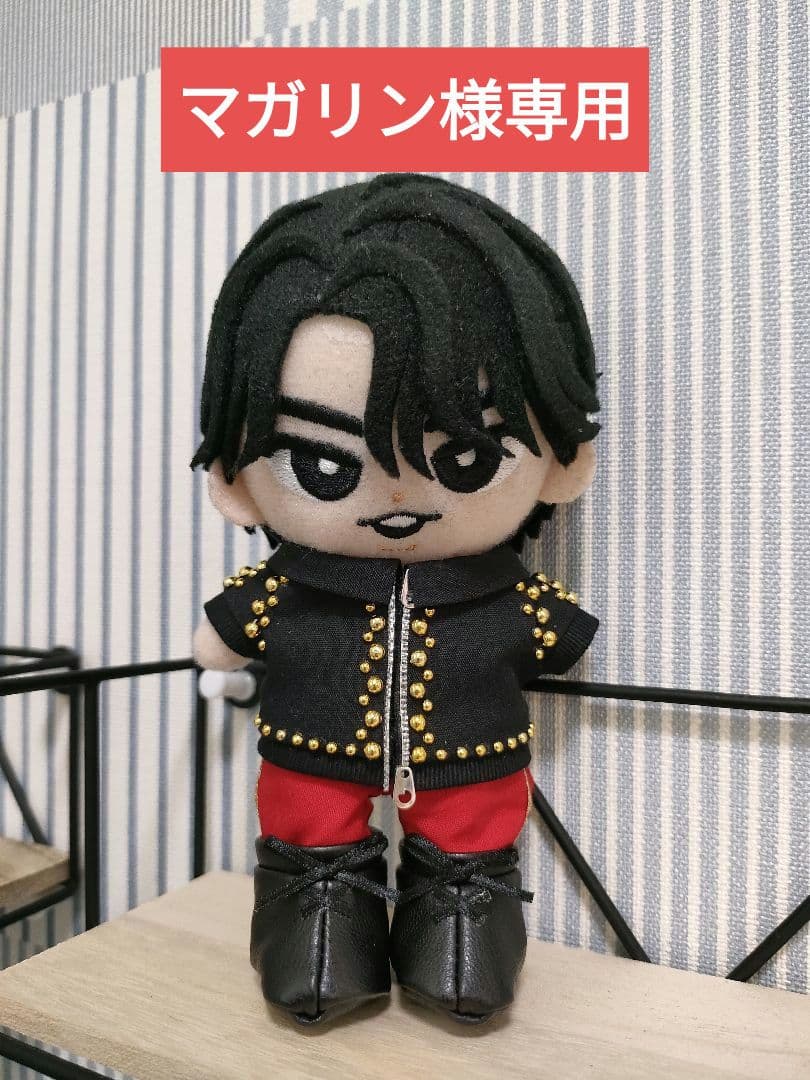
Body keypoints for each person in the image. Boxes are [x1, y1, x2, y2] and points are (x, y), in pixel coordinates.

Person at [192, 173, 600, 1025]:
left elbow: (559, 634)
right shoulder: (292, 587)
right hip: (309, 744)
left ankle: (462, 915)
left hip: (470, 753)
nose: (398, 495)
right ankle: (314, 911)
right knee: (306, 821)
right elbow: (228, 630)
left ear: (561, 464)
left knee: (471, 829)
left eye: (465, 458)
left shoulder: (502, 592)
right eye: (323, 463)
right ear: (236, 478)